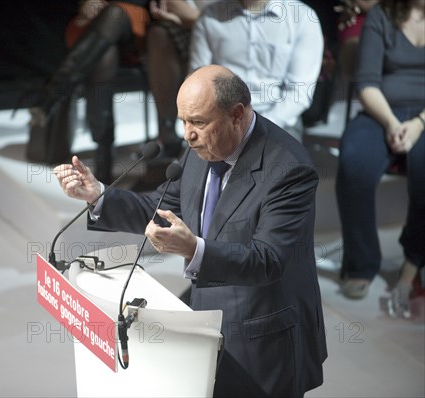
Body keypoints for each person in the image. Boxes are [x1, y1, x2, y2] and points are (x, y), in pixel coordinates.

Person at [54, 65, 327, 397]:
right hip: (207, 311)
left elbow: (267, 259)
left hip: (263, 334)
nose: (187, 134)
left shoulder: (288, 169)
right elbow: (160, 209)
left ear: (237, 115)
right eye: (183, 121)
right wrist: (98, 194)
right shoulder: (203, 147)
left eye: (198, 122)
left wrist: (193, 249)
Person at [336, 0, 425, 313]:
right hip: (382, 110)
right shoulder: (382, 15)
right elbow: (366, 82)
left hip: (424, 118)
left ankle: (415, 258)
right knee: (354, 163)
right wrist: (391, 123)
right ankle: (360, 263)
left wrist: (418, 125)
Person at [27, 0, 152, 183]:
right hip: (97, 26)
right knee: (104, 55)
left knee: (115, 14)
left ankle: (52, 93)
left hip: (139, 22)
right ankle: (104, 154)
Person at [188, 0, 324, 142]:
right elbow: (197, 82)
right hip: (221, 121)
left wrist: (253, 127)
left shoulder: (302, 18)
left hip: (278, 123)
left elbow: (299, 93)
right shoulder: (210, 16)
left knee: (277, 161)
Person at [145, 0, 218, 158]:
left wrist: (194, 19)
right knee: (158, 34)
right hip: (190, 27)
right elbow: (172, 5)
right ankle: (168, 132)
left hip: (223, 26)